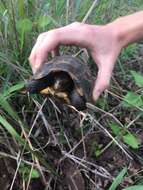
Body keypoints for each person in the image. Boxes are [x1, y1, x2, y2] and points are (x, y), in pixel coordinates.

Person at [29, 11, 143, 101]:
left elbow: (78, 97)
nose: (58, 85)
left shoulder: (74, 89)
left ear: (70, 83)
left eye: (62, 83)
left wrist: (117, 33)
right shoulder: (50, 80)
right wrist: (115, 32)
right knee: (32, 85)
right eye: (58, 82)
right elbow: (37, 82)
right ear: (53, 78)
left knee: (78, 101)